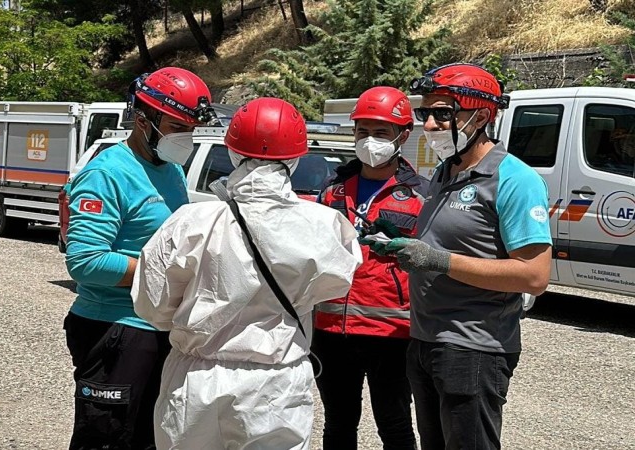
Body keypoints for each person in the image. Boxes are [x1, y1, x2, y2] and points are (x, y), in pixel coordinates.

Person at [131, 97, 363, 450]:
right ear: (296, 158)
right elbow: (335, 286)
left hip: (196, 380)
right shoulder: (326, 226)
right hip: (276, 385)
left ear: (233, 153)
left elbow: (152, 307)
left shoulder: (191, 222)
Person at [366, 63, 552, 450]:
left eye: (443, 114)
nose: (429, 125)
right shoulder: (444, 172)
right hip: (424, 340)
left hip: (473, 348)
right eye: (425, 113)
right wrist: (401, 243)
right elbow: (446, 243)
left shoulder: (515, 180)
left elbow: (534, 276)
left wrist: (437, 260)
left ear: (481, 117)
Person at [63, 66, 215, 450]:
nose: (185, 137)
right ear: (144, 119)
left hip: (160, 327)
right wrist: (168, 274)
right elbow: (85, 261)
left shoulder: (173, 170)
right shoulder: (107, 173)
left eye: (191, 129)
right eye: (177, 126)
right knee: (106, 439)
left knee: (151, 439)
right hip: (114, 328)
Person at [312, 86, 428, 450]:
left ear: (403, 136)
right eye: (362, 131)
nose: (369, 140)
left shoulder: (421, 195)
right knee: (338, 423)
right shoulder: (332, 189)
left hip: (391, 333)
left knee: (395, 425)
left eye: (380, 132)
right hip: (332, 329)